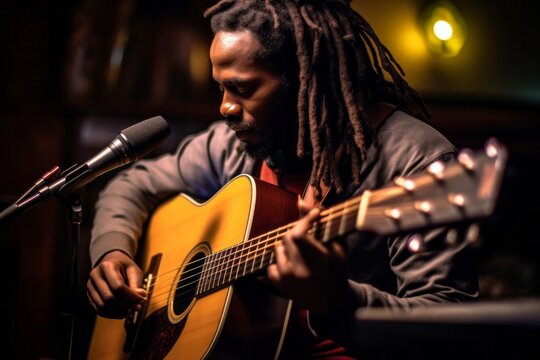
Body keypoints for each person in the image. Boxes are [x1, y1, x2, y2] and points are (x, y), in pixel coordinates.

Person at [87, 0, 478, 357]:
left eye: (242, 89)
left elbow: (443, 326)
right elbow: (131, 184)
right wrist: (113, 250)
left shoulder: (417, 161)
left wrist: (338, 300)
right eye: (220, 88)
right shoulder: (231, 145)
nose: (224, 107)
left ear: (305, 79)